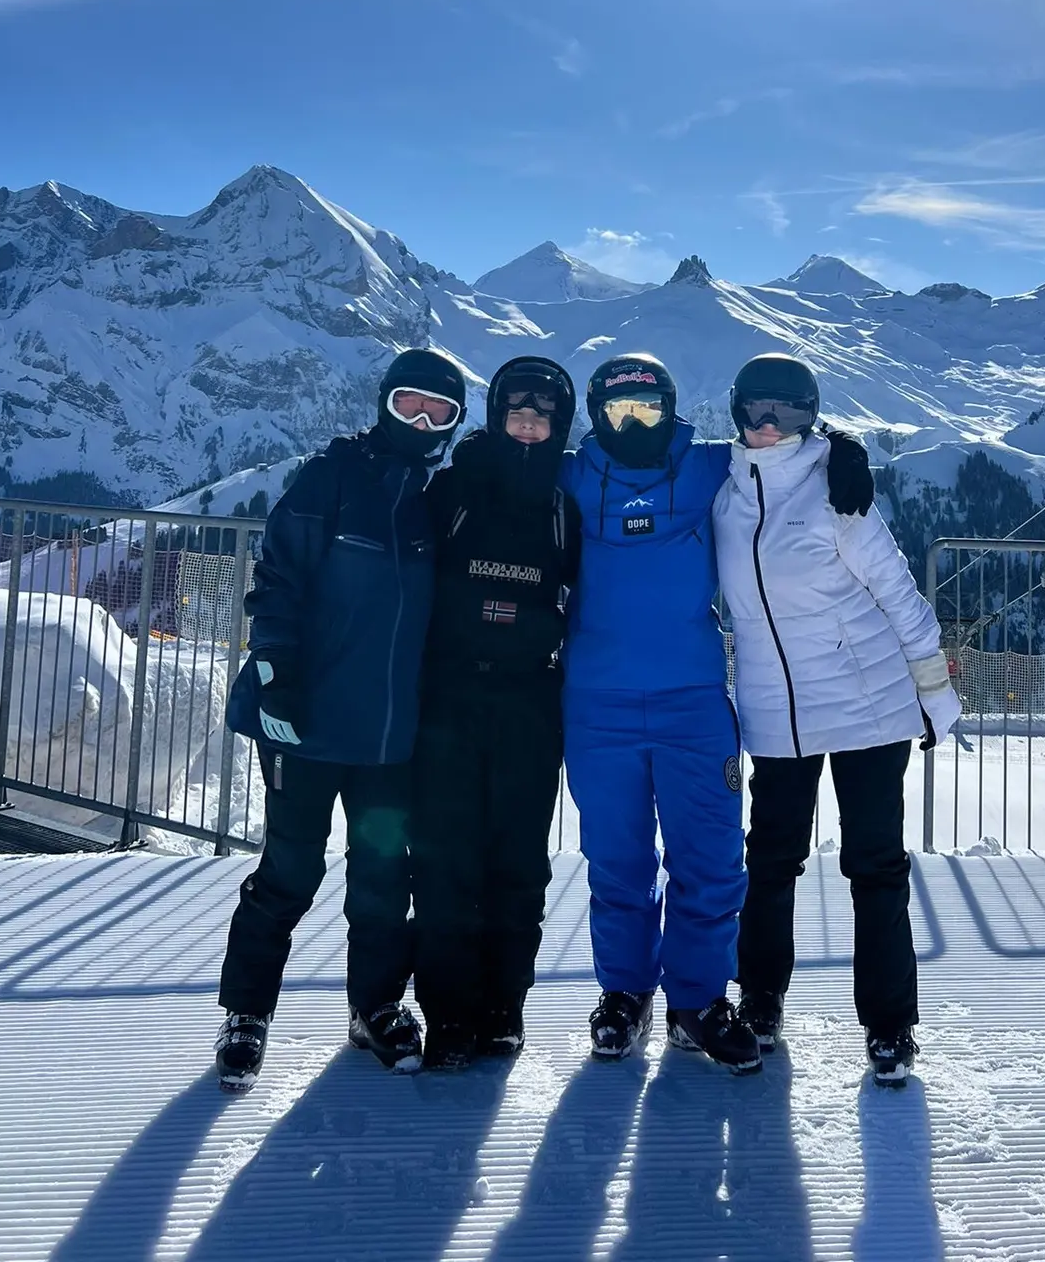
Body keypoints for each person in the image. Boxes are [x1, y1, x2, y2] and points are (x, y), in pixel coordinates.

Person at [558, 352, 875, 1074]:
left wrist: (844, 448)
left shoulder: (708, 466)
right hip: (597, 705)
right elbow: (511, 467)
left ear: (670, 409)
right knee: (616, 860)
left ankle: (698, 1001)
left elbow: (780, 448)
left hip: (692, 702)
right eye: (617, 412)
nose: (632, 425)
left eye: (646, 410)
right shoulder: (571, 475)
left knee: (709, 858)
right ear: (596, 417)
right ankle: (624, 994)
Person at [213, 347, 467, 1093]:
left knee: (384, 875)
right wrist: (275, 670)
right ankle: (247, 1012)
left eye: (439, 411)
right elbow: (277, 578)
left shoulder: (440, 498)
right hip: (307, 723)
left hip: (389, 735)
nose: (421, 421)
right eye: (409, 403)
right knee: (290, 868)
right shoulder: (332, 477)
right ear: (384, 403)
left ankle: (375, 1006)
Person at [711, 353, 962, 1087]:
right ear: (736, 413)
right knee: (770, 860)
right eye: (756, 411)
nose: (769, 426)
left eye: (787, 412)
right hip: (776, 713)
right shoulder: (721, 492)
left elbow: (900, 593)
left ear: (810, 418)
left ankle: (890, 1026)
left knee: (874, 865)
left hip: (868, 707)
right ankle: (760, 1001)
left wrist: (934, 691)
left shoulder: (836, 490)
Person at [410, 356, 581, 1071]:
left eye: (543, 416)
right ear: (496, 415)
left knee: (518, 863)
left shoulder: (565, 503)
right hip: (449, 695)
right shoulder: (454, 488)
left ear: (560, 424)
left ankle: (503, 1007)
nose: (529, 425)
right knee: (445, 859)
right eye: (517, 412)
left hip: (529, 699)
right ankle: (449, 1016)